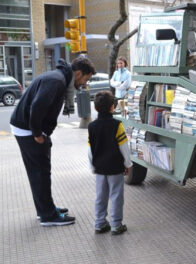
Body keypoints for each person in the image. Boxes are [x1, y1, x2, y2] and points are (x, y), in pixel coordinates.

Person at [10, 57, 96, 226]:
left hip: (26, 127)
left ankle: (45, 209)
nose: (84, 84)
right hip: (28, 130)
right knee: (40, 172)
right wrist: (37, 134)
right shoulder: (56, 81)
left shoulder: (58, 78)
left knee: (39, 172)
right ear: (78, 73)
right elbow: (37, 106)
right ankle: (48, 216)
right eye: (85, 79)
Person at [88, 91, 132, 235]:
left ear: (95, 108)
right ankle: (116, 224)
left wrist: (92, 167)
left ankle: (99, 223)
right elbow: (123, 147)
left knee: (100, 196)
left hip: (100, 168)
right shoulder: (117, 125)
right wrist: (128, 164)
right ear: (112, 108)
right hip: (115, 167)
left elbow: (90, 150)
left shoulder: (92, 126)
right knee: (116, 196)